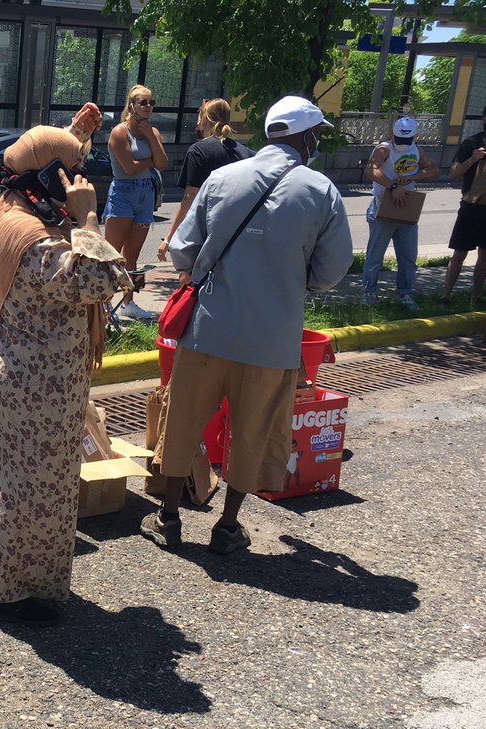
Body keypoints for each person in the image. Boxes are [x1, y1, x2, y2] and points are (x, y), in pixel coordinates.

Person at [141, 96, 352, 554]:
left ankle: (169, 516)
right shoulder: (321, 191)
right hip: (272, 339)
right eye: (317, 133)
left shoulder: (223, 177)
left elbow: (183, 249)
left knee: (184, 422)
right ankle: (227, 527)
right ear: (306, 137)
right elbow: (330, 271)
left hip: (209, 328)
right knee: (253, 431)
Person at [0, 117, 132, 627]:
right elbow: (102, 279)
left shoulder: (6, 205)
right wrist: (88, 220)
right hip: (38, 384)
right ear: (47, 176)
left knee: (2, 480)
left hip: (8, 369)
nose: (78, 182)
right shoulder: (38, 240)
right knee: (38, 494)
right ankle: (12, 595)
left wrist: (73, 139)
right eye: (71, 172)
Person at [156, 98, 252, 270]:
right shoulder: (244, 152)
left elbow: (190, 198)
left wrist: (169, 238)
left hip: (207, 232)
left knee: (194, 283)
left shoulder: (198, 150)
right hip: (239, 230)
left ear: (204, 118)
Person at [104, 84, 167, 319]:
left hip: (145, 193)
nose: (148, 106)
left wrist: (150, 136)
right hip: (123, 191)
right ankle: (105, 303)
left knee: (133, 255)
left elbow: (163, 164)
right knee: (112, 254)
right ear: (132, 105)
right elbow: (129, 168)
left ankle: (128, 302)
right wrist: (152, 158)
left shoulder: (154, 132)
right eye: (143, 102)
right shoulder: (120, 132)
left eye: (151, 102)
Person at [362, 116, 439, 309]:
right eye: (400, 139)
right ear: (393, 135)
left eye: (407, 140)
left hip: (406, 209)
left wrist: (416, 175)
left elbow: (433, 169)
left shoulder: (416, 149)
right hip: (383, 208)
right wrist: (393, 185)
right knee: (375, 256)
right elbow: (370, 171)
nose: (403, 144)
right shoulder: (384, 149)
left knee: (408, 256)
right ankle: (369, 292)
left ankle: (405, 293)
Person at [442, 101, 486, 305]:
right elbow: (453, 174)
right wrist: (472, 159)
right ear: (484, 118)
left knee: (485, 255)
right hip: (470, 208)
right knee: (460, 252)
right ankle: (446, 295)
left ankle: (476, 296)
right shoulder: (471, 143)